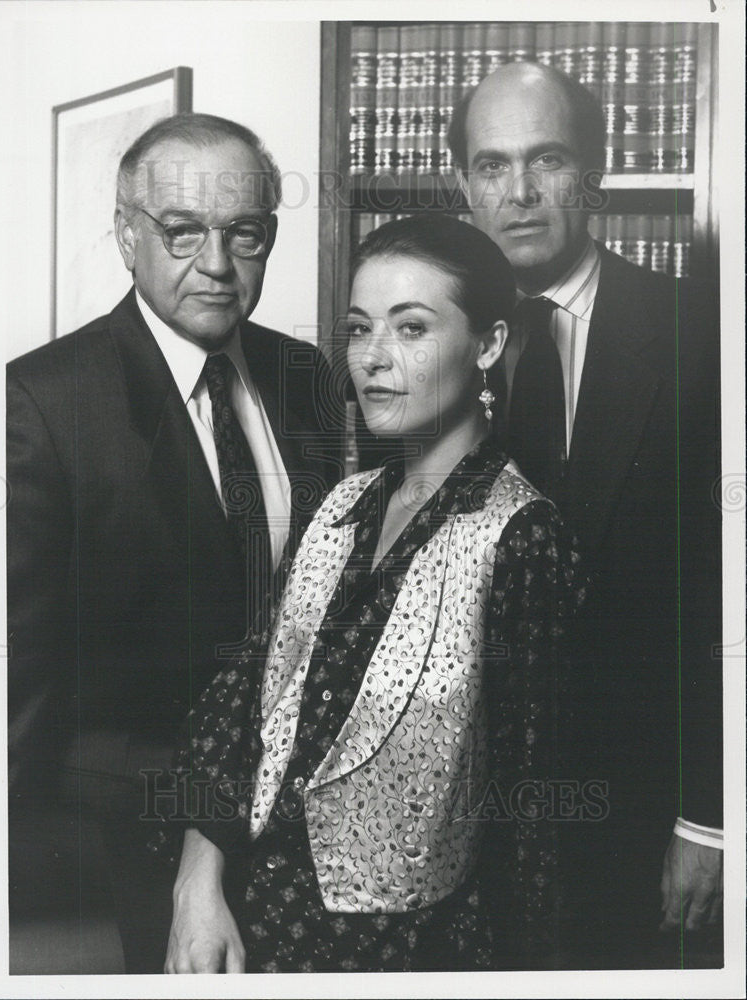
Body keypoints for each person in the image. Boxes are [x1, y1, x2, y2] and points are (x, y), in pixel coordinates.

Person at [165, 214, 587, 973]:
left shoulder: (519, 535)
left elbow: (531, 813)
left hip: (406, 950)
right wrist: (198, 882)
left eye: (412, 328)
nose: (374, 359)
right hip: (254, 922)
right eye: (359, 330)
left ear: (487, 344)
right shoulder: (340, 506)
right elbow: (243, 700)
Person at [6, 112, 338, 973]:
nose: (217, 266)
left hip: (298, 828)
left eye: (245, 234)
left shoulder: (305, 378)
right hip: (120, 842)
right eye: (182, 231)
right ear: (126, 233)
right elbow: (15, 678)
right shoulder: (40, 402)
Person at [448, 62, 722, 966]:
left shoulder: (704, 335)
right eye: (492, 165)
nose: (519, 193)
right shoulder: (417, 341)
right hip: (465, 826)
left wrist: (711, 817)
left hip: (641, 814)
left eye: (547, 160)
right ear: (463, 186)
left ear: (593, 175)